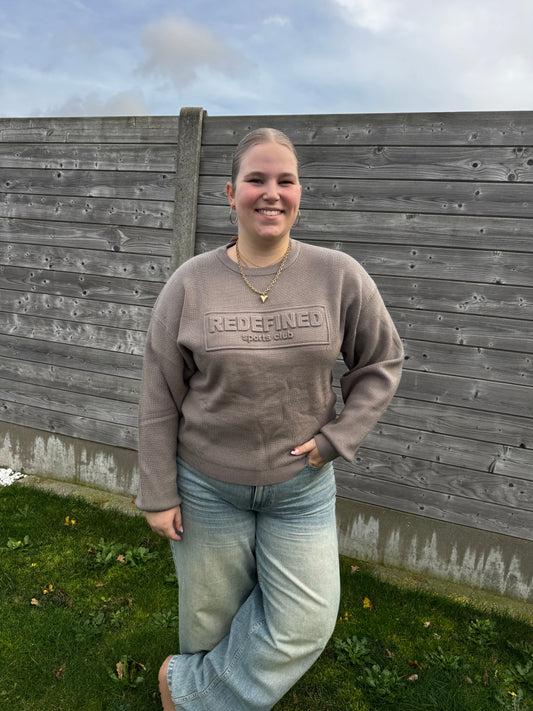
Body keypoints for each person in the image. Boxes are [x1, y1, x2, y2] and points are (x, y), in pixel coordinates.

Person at [136, 127, 404, 710]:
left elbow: (382, 361)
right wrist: (157, 491)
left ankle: (184, 692)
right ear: (230, 193)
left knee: (305, 620)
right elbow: (159, 393)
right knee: (210, 619)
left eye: (286, 180)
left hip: (301, 488)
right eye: (256, 179)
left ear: (300, 192)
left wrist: (337, 438)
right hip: (206, 485)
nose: (271, 192)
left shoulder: (339, 275)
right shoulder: (190, 283)